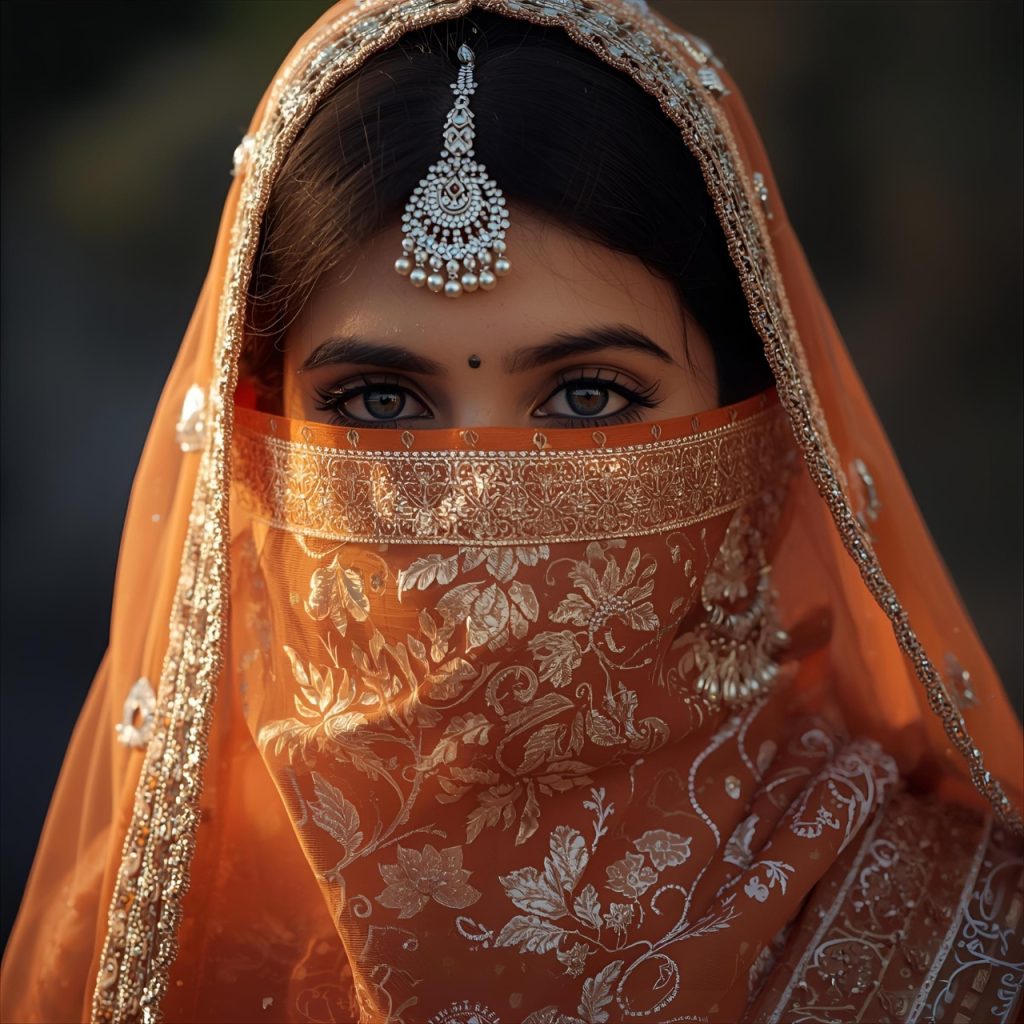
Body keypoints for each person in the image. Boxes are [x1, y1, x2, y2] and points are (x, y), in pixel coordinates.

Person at [2, 0, 1021, 1021]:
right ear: (259, 442)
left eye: (588, 396)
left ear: (756, 428)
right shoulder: (138, 947)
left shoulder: (970, 945)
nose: (480, 501)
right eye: (380, 402)